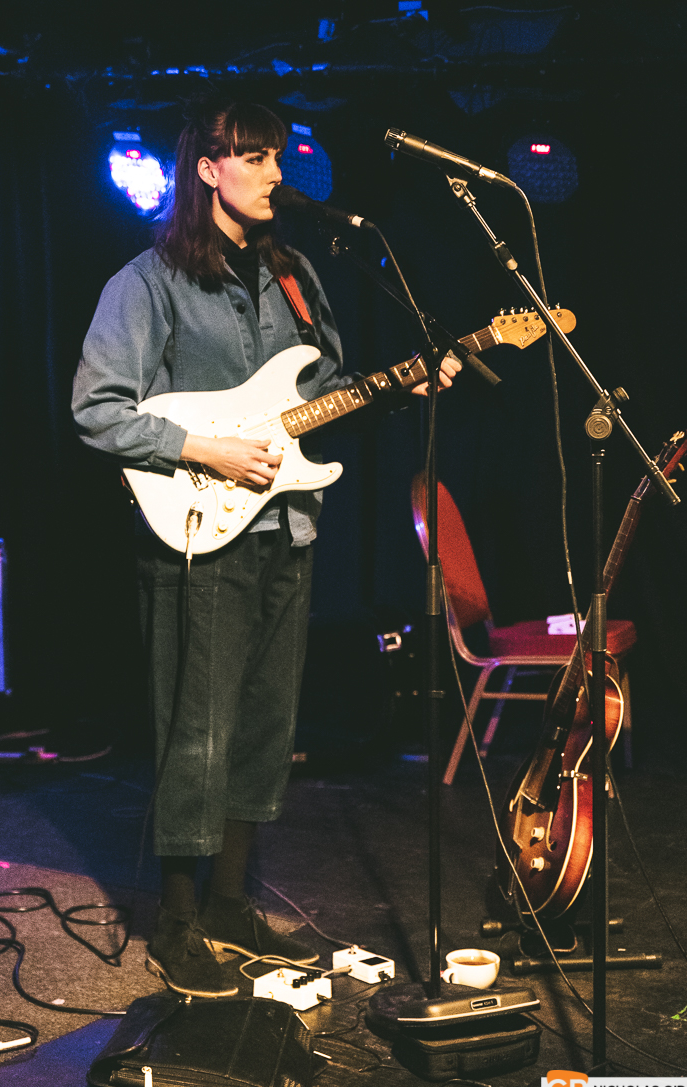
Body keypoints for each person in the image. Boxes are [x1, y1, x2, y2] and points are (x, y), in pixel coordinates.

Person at [72, 97, 459, 997]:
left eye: (278, 156)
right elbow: (98, 409)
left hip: (287, 525)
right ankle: (176, 917)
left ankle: (231, 903)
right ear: (207, 168)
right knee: (197, 728)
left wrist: (404, 385)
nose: (276, 173)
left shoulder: (296, 276)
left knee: (265, 726)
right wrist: (201, 447)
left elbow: (324, 400)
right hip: (197, 530)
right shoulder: (149, 281)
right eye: (254, 157)